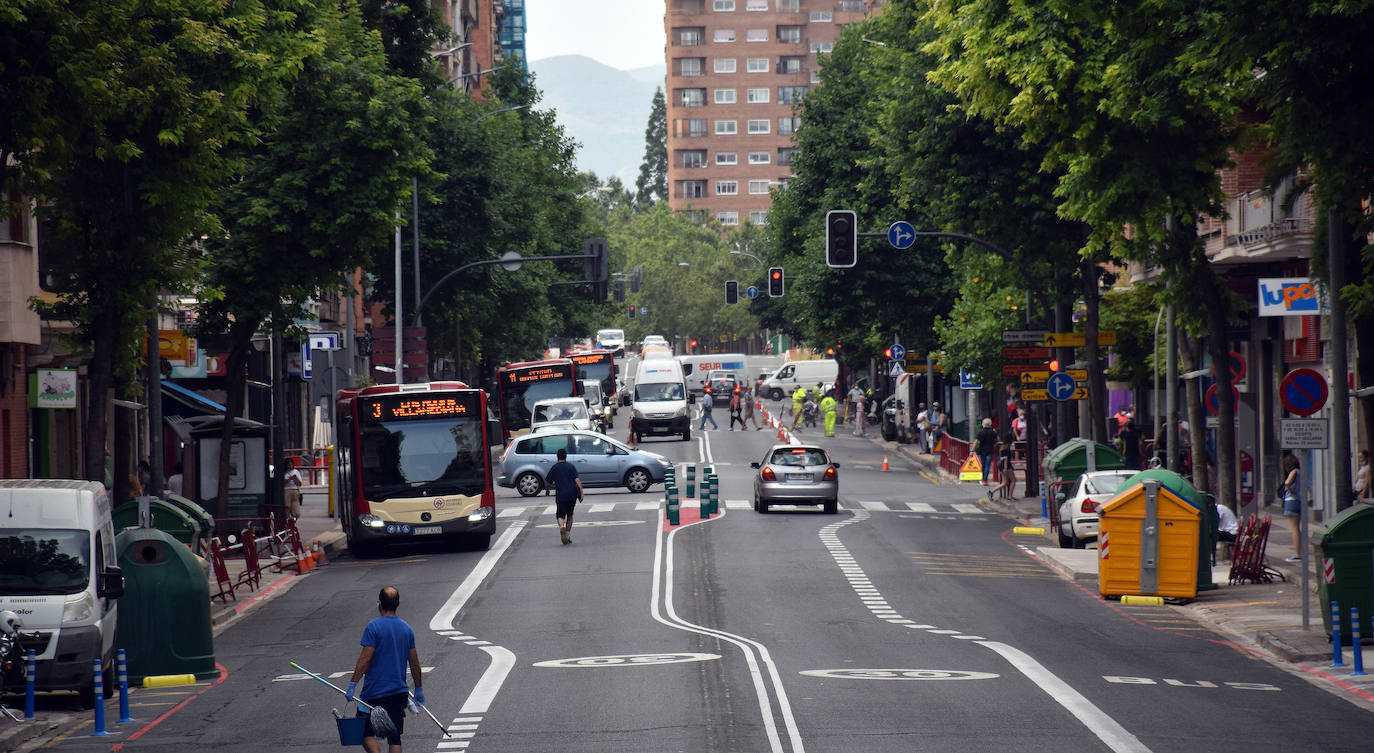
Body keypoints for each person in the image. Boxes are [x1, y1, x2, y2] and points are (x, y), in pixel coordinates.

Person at [347, 586, 422, 753]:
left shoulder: (373, 627)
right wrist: (418, 688)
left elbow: (365, 659)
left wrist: (353, 684)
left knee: (364, 731)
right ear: (398, 604)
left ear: (379, 603)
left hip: (374, 693)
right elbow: (414, 663)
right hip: (398, 692)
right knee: (394, 737)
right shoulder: (407, 629)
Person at [546, 448, 584, 545]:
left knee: (560, 514)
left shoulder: (554, 468)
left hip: (561, 495)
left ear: (557, 456)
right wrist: (582, 493)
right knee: (570, 515)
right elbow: (577, 481)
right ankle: (567, 535)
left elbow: (548, 483)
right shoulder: (571, 467)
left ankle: (561, 527)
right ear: (565, 456)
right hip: (572, 495)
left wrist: (547, 490)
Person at [1280, 453, 1302, 561]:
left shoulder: (1293, 472)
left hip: (1291, 500)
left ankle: (1297, 554)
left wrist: (1290, 489)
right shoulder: (1299, 472)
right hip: (1298, 500)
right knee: (1297, 528)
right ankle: (1299, 552)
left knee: (1294, 528)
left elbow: (1287, 482)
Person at [973, 418, 998, 487]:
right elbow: (997, 440)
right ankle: (985, 480)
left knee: (983, 465)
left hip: (982, 450)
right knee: (988, 465)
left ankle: (982, 479)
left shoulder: (981, 432)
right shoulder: (993, 432)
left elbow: (976, 441)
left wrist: (972, 450)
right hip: (990, 450)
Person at [994, 432, 1016, 500]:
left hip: (1001, 465)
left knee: (1005, 482)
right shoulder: (1007, 448)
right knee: (1013, 480)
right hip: (1007, 466)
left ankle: (991, 492)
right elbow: (1006, 458)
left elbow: (1002, 457)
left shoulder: (1002, 447)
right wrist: (1006, 468)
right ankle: (1010, 496)